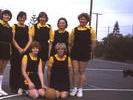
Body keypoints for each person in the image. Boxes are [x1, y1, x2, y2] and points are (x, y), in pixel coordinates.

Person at [70, 13, 96, 97]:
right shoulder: (74, 29)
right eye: (81, 19)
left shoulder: (91, 30)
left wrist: (90, 52)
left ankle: (80, 89)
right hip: (75, 52)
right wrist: (70, 51)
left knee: (82, 71)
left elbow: (93, 43)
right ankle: (74, 88)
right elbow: (70, 42)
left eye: (84, 19)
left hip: (85, 52)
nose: (82, 20)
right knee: (75, 71)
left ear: (87, 20)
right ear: (79, 19)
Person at [10, 11, 32, 93]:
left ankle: (22, 86)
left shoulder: (28, 27)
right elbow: (12, 38)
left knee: (24, 69)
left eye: (24, 17)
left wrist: (25, 49)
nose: (22, 19)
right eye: (21, 17)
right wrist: (19, 48)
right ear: (18, 18)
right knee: (14, 68)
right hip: (16, 50)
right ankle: (14, 86)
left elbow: (30, 40)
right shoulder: (14, 26)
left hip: (25, 50)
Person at [0, 10, 12, 96]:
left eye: (8, 15)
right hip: (0, 46)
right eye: (5, 15)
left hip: (7, 48)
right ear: (2, 16)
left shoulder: (9, 27)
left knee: (2, 69)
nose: (6, 16)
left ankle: (0, 88)